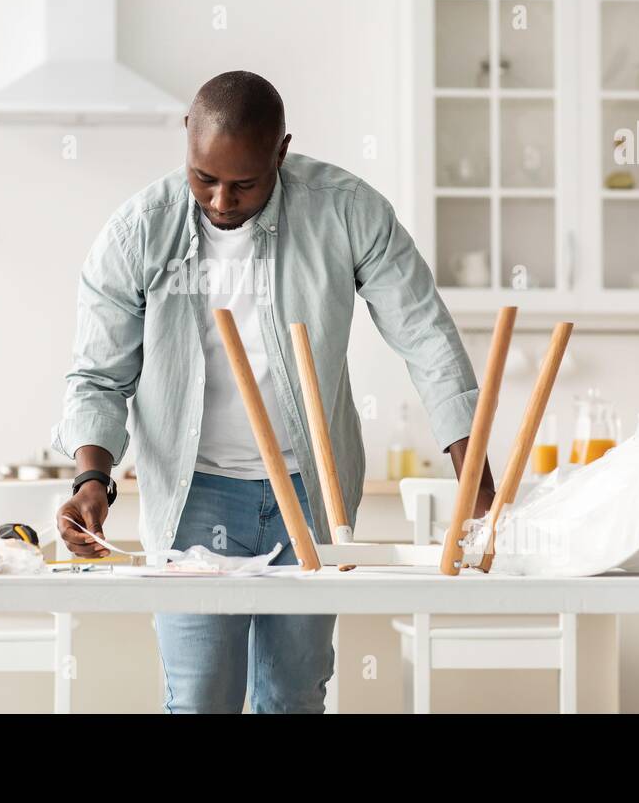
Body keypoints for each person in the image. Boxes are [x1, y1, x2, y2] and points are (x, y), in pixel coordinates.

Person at [52, 70, 493, 713]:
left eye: (245, 183)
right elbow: (97, 374)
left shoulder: (346, 209)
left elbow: (424, 332)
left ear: (281, 152)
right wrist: (93, 479)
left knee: (292, 696)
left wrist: (471, 468)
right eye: (205, 178)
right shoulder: (138, 231)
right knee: (201, 698)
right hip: (192, 491)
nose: (222, 200)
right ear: (186, 141)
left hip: (309, 489)